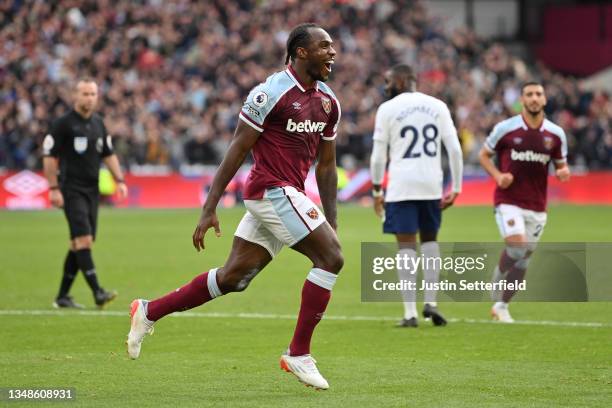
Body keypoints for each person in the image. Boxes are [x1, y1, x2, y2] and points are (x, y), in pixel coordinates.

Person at [126, 23, 342, 391]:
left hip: (287, 194)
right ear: (301, 52)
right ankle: (298, 353)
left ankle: (148, 311)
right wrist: (210, 206)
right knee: (332, 259)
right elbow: (238, 149)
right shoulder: (269, 93)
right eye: (325, 47)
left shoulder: (327, 102)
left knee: (232, 278)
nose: (333, 53)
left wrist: (330, 222)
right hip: (269, 191)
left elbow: (326, 165)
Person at [369, 64, 463, 328]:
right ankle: (431, 302)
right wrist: (456, 187)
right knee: (431, 241)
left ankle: (410, 312)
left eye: (388, 81)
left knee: (406, 246)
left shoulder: (387, 109)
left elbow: (378, 156)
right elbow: (454, 150)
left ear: (401, 80)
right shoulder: (438, 106)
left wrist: (377, 189)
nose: (386, 86)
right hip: (431, 184)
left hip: (401, 185)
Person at [479, 81, 570, 323]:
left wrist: (563, 172)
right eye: (529, 94)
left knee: (524, 259)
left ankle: (502, 306)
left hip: (538, 205)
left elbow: (561, 164)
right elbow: (484, 155)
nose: (534, 98)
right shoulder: (505, 129)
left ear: (544, 100)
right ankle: (497, 276)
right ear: (522, 99)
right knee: (517, 247)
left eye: (538, 94)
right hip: (508, 200)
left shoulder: (555, 134)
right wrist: (498, 176)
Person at [42, 79, 128, 309]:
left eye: (93, 94)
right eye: (85, 93)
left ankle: (62, 297)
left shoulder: (99, 124)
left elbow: (108, 154)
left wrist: (119, 179)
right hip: (71, 189)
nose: (89, 98)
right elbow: (49, 156)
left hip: (92, 191)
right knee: (84, 240)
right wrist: (53, 188)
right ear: (75, 96)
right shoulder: (63, 124)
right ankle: (97, 292)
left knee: (78, 244)